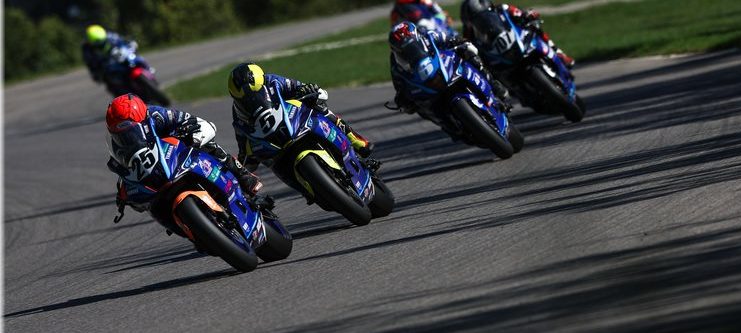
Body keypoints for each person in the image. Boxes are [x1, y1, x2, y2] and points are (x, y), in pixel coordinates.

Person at [106, 93, 265, 215]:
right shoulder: (116, 144)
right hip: (155, 172)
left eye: (131, 130)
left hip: (176, 153)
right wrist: (123, 192)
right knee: (144, 203)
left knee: (207, 143)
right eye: (121, 134)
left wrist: (192, 134)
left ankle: (242, 176)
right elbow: (123, 167)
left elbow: (195, 122)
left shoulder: (157, 114)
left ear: (143, 118)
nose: (128, 136)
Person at [227, 62, 375, 174]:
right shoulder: (237, 112)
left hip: (293, 118)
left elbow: (298, 86)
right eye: (245, 99)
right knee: (252, 157)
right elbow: (242, 141)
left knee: (318, 105)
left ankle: (355, 140)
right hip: (272, 141)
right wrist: (243, 166)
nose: (252, 99)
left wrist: (308, 90)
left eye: (255, 93)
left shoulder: (273, 80)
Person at [389, 21, 509, 117]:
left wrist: (461, 42)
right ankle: (447, 125)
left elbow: (449, 38)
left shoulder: (429, 36)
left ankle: (493, 85)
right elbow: (398, 85)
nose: (411, 51)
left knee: (470, 55)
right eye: (404, 51)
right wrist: (401, 99)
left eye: (413, 45)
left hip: (443, 66)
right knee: (420, 108)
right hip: (425, 83)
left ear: (417, 36)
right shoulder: (395, 65)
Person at [460, 0, 574, 68]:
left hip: (516, 38)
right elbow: (466, 43)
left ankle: (559, 54)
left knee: (535, 27)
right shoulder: (468, 24)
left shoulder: (502, 9)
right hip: (495, 55)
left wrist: (528, 15)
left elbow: (521, 13)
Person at [82, 25, 140, 93]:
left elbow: (122, 41)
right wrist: (96, 74)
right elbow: (90, 64)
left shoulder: (111, 36)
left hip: (121, 57)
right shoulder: (87, 49)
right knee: (112, 84)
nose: (100, 44)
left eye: (101, 41)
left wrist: (130, 43)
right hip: (108, 68)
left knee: (136, 58)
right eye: (97, 43)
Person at [390, 0, 456, 36]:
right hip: (420, 36)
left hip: (439, 29)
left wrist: (445, 17)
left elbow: (440, 12)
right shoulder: (400, 6)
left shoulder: (424, 1)